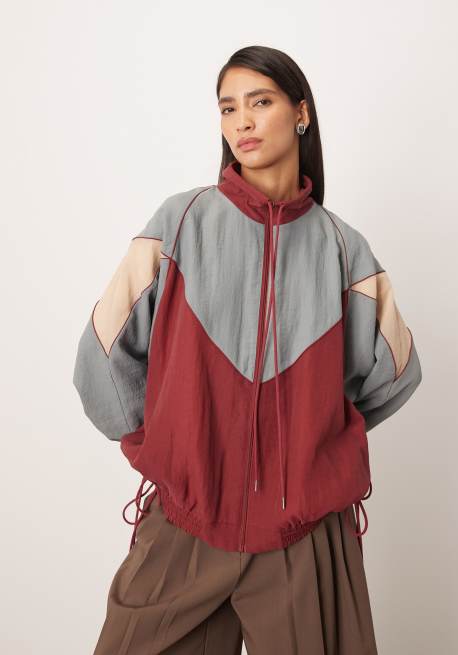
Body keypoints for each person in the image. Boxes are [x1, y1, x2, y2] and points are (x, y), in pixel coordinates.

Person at [73, 45, 422, 654]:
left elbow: (395, 370)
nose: (242, 122)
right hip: (184, 524)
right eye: (228, 108)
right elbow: (103, 353)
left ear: (301, 113)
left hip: (304, 536)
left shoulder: (345, 251)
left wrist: (314, 445)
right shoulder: (180, 223)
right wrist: (172, 450)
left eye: (260, 102)